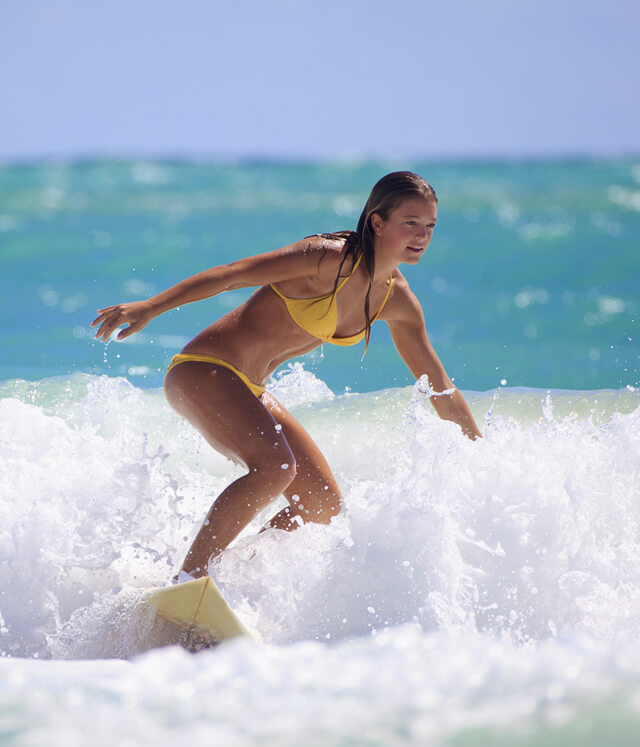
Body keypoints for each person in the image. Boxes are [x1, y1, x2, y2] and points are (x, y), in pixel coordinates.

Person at [91, 171, 482, 579]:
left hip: (249, 388)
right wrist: (151, 307)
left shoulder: (396, 300)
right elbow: (233, 273)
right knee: (275, 468)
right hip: (203, 371)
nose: (422, 235)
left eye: (430, 226)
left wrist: (480, 453)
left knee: (322, 503)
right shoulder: (329, 259)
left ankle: (231, 575)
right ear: (377, 223)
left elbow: (440, 388)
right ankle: (189, 580)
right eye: (411, 223)